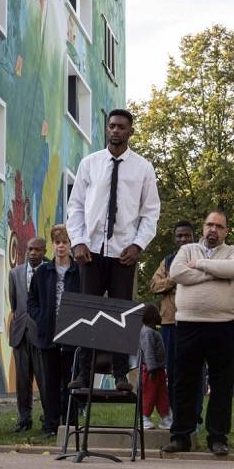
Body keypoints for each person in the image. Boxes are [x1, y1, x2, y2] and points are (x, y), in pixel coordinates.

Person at [66, 108, 161, 391]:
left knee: (122, 313)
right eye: (112, 126)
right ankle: (84, 373)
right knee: (87, 312)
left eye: (121, 127)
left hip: (123, 252)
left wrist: (137, 245)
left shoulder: (143, 168)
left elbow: (151, 212)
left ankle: (120, 375)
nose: (116, 130)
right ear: (106, 129)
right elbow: (76, 206)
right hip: (90, 250)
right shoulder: (90, 163)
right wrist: (78, 241)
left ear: (130, 131)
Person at [162, 211, 234, 457]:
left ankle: (217, 438)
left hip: (224, 324)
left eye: (219, 226)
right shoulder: (187, 250)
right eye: (209, 224)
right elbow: (177, 274)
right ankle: (180, 436)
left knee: (221, 384)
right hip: (188, 324)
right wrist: (215, 273)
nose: (213, 230)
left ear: (226, 231)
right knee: (184, 382)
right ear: (203, 227)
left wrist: (199, 266)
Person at [27, 224, 80, 436]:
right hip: (48, 333)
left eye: (65, 242)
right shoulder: (43, 272)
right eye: (57, 242)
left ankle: (70, 425)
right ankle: (50, 425)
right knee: (49, 381)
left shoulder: (78, 271)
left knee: (71, 381)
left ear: (71, 245)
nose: (61, 246)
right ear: (53, 245)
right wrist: (41, 319)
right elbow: (32, 301)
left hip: (72, 334)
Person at [149, 221, 195, 399]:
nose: (183, 239)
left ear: (193, 237)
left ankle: (194, 414)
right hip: (170, 322)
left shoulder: (200, 258)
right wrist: (174, 278)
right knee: (173, 369)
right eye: (179, 236)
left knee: (193, 368)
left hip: (194, 320)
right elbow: (154, 285)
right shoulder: (167, 261)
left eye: (187, 235)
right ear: (175, 239)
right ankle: (174, 413)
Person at [7, 236, 46, 432]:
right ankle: (24, 419)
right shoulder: (14, 273)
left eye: (37, 250)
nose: (32, 253)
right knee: (22, 379)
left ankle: (49, 417)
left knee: (44, 377)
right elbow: (14, 303)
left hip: (41, 333)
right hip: (20, 332)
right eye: (30, 249)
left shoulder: (49, 271)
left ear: (44, 252)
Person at [138, 303, 170, 430]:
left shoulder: (153, 331)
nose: (160, 316)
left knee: (162, 394)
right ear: (152, 317)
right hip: (151, 370)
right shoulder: (147, 333)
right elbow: (148, 352)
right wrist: (152, 368)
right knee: (149, 394)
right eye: (158, 314)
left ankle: (165, 416)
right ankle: (145, 417)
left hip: (159, 370)